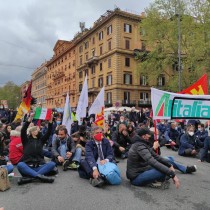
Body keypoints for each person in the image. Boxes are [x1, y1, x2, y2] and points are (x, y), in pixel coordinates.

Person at [17, 113, 55, 184]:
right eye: (34, 130)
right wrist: (30, 118)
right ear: (31, 132)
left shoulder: (41, 141)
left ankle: (31, 178)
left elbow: (49, 132)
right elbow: (23, 130)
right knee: (20, 165)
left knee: (52, 164)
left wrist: (50, 121)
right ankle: (40, 176)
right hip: (28, 167)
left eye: (36, 130)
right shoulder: (26, 140)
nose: (36, 131)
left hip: (39, 167)